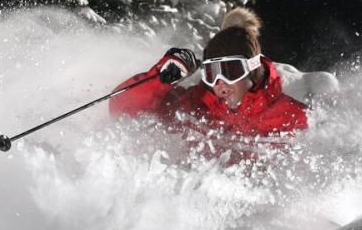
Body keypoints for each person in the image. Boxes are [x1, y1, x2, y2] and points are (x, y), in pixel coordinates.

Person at [109, 7, 309, 138]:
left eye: (230, 71)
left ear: (252, 69)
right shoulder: (195, 106)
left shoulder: (294, 117)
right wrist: (159, 80)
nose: (220, 83)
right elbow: (122, 111)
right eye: (212, 73)